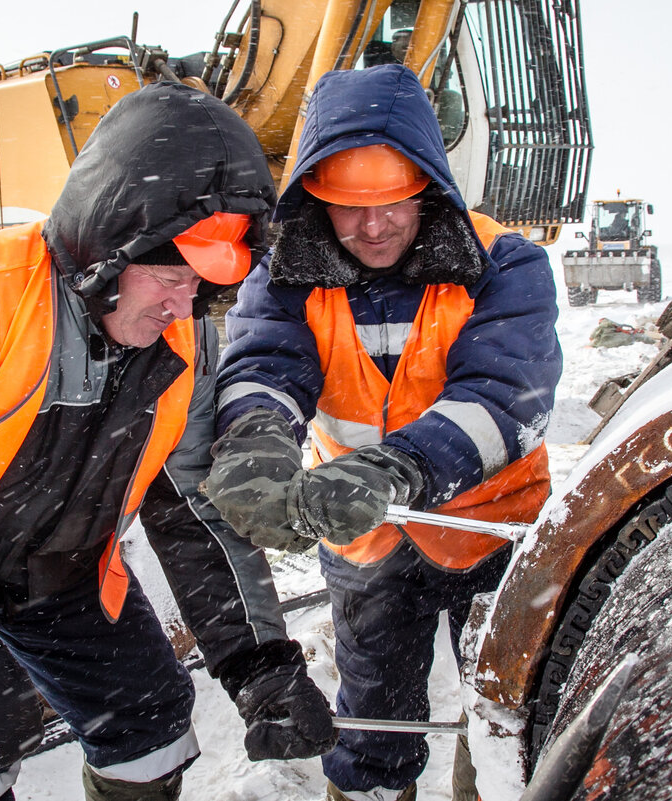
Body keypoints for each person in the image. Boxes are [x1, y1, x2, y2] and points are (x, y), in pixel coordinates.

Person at [0, 81, 336, 801]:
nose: (183, 305)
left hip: (61, 575)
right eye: (168, 276)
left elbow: (195, 511)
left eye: (202, 285)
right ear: (108, 241)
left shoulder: (186, 340)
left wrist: (258, 660)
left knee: (150, 720)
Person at [206, 64, 562, 801]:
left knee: (514, 719)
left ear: (428, 186)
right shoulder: (286, 276)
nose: (373, 227)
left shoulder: (505, 264)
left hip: (496, 533)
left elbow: (504, 396)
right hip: (366, 542)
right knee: (372, 725)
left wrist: (396, 467)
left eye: (392, 202)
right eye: (348, 206)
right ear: (314, 198)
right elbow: (265, 364)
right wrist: (255, 440)